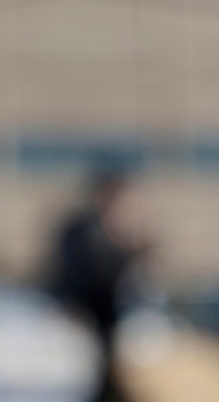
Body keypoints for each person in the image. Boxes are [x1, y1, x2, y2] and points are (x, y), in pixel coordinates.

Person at [49, 166, 152, 402]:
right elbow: (88, 272)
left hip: (107, 314)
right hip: (89, 310)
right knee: (90, 367)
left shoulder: (106, 228)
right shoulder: (86, 230)